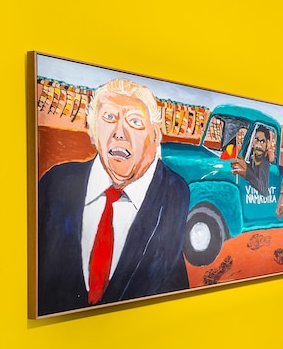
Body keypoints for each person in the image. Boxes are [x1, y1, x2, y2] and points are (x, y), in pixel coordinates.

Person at [37, 78, 190, 316]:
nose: (120, 133)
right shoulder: (55, 184)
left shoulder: (174, 192)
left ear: (155, 135)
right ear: (93, 130)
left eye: (135, 122)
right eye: (109, 118)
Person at [231, 125, 272, 194]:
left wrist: (246, 172)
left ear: (267, 144)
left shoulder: (265, 162)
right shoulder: (252, 158)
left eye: (262, 141)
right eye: (256, 140)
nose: (258, 145)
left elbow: (263, 189)